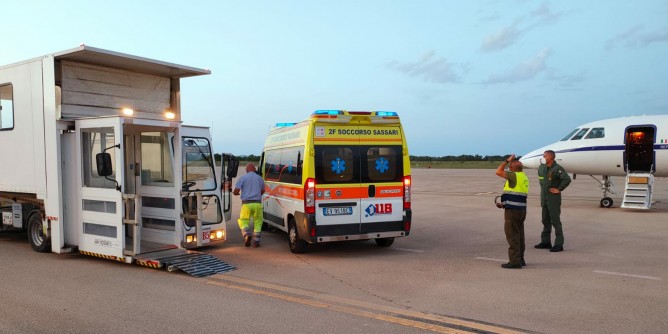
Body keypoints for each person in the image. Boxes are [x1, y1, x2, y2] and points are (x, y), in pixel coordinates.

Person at [495, 154, 529, 269]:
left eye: (509, 167)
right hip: (521, 209)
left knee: (512, 235)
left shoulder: (514, 176)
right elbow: (515, 194)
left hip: (513, 211)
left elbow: (498, 171)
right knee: (519, 234)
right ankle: (521, 259)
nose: (508, 168)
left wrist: (506, 161)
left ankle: (514, 261)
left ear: (512, 169)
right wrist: (504, 203)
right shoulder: (523, 176)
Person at [534, 150, 571, 252]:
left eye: (544, 156)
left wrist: (559, 189)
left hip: (553, 198)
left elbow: (567, 179)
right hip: (544, 197)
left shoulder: (557, 169)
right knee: (545, 220)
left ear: (550, 157)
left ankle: (559, 244)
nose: (542, 157)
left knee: (555, 221)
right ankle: (546, 242)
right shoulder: (542, 168)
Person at [233, 163, 265, 248]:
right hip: (257, 203)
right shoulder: (260, 178)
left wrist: (236, 193)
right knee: (258, 222)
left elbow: (236, 190)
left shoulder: (243, 178)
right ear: (255, 170)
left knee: (243, 221)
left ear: (246, 170)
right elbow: (263, 191)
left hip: (246, 204)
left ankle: (247, 234)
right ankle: (256, 242)